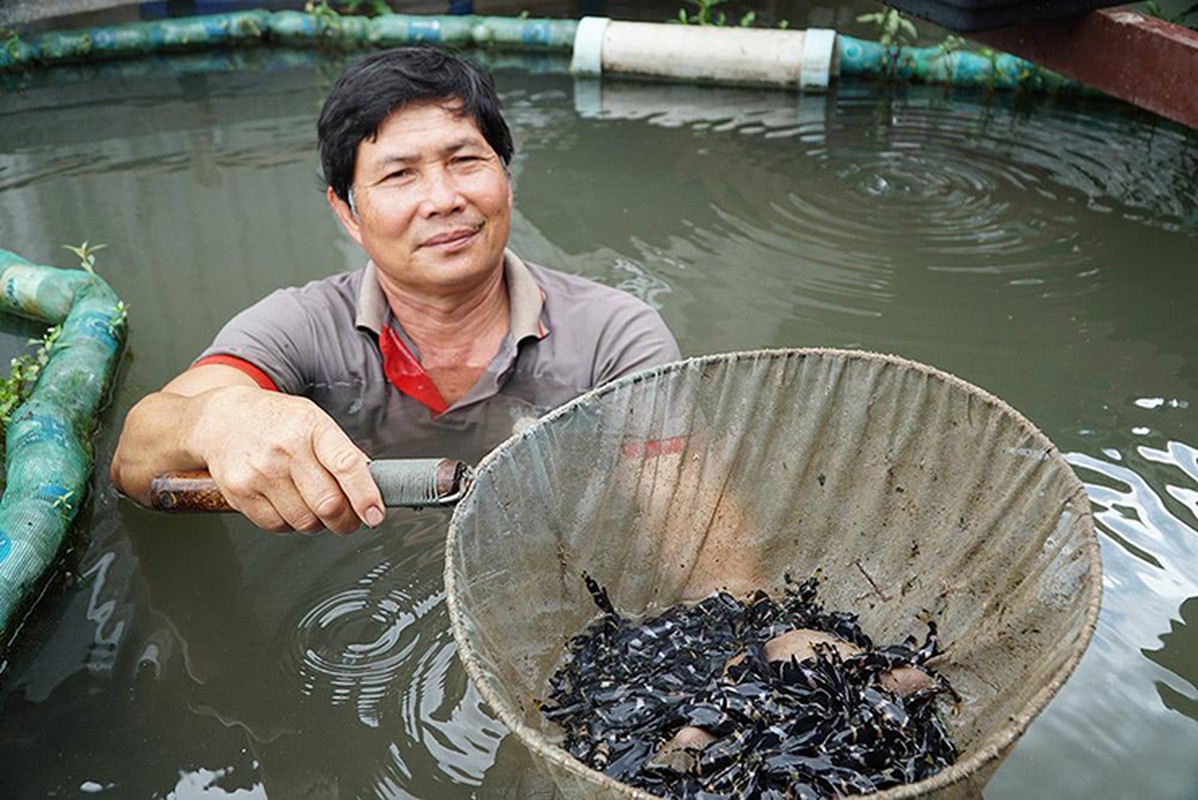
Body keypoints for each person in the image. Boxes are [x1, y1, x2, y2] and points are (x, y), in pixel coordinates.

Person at [110, 46, 680, 535]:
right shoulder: (300, 327)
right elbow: (135, 458)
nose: (442, 198)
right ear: (347, 212)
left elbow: (689, 514)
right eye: (399, 174)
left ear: (506, 178)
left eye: (465, 160)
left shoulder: (613, 336)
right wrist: (227, 419)